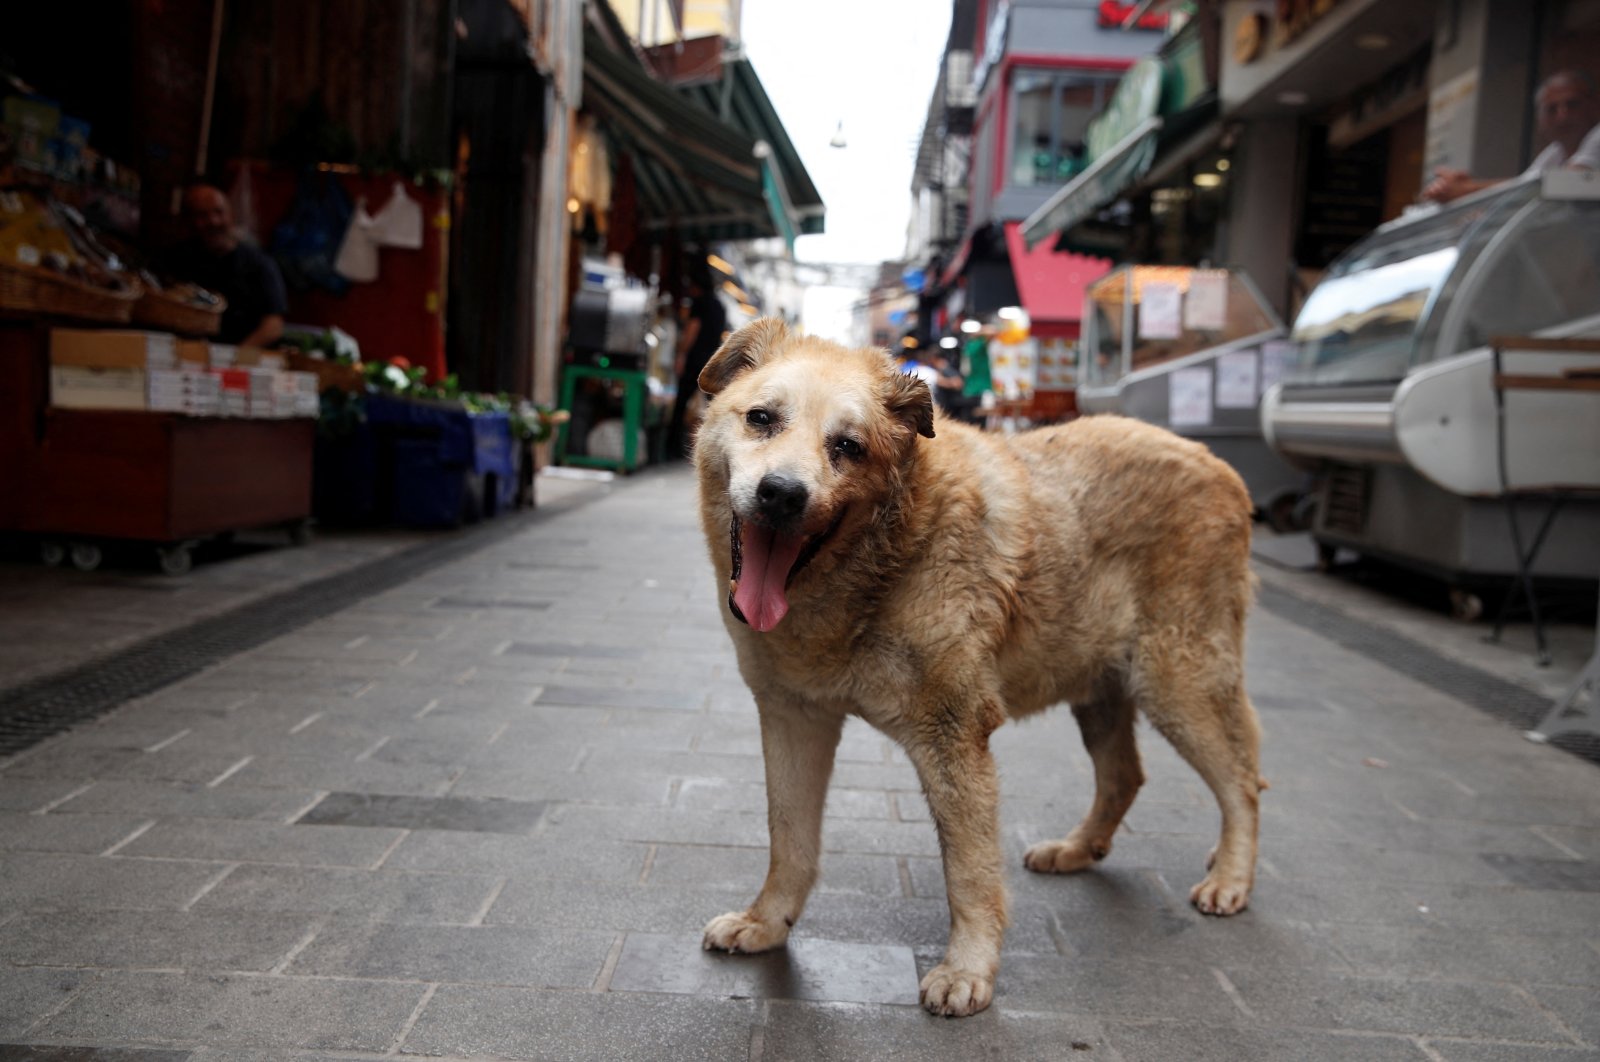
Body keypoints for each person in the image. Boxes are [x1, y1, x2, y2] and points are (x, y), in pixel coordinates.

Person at [1423, 70, 1600, 203]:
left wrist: (1468, 190)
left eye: (1573, 104)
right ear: (1539, 120)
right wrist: (1467, 188)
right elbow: (1525, 186)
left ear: (1594, 105)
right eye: (1551, 109)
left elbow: (1568, 183)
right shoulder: (1555, 152)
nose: (1563, 116)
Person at [164, 184, 288, 348]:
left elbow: (273, 326)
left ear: (231, 215)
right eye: (202, 215)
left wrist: (234, 358)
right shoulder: (177, 259)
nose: (213, 221)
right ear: (189, 221)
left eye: (218, 212)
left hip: (239, 359)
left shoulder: (259, 264)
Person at [667, 262, 729, 458]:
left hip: (695, 360)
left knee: (680, 405)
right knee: (715, 408)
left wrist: (681, 355)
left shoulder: (700, 303)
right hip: (712, 362)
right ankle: (717, 450)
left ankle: (673, 448)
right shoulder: (720, 305)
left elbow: (692, 331)